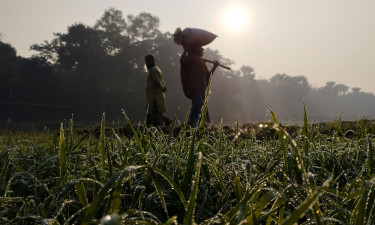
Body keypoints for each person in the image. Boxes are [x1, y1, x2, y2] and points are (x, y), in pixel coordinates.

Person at [180, 45, 219, 127]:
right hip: (193, 89)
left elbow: (208, 76)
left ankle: (197, 126)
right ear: (194, 50)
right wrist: (185, 50)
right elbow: (182, 61)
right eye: (200, 49)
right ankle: (201, 126)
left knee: (200, 109)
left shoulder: (201, 63)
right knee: (200, 107)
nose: (202, 51)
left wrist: (214, 67)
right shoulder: (189, 59)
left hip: (201, 90)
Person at [145, 55, 171, 126]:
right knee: (154, 113)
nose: (147, 63)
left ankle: (164, 123)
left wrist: (162, 88)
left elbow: (157, 81)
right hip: (154, 96)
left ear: (153, 61)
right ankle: (166, 120)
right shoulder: (155, 69)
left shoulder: (153, 70)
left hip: (154, 97)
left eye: (149, 61)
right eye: (146, 62)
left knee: (153, 114)